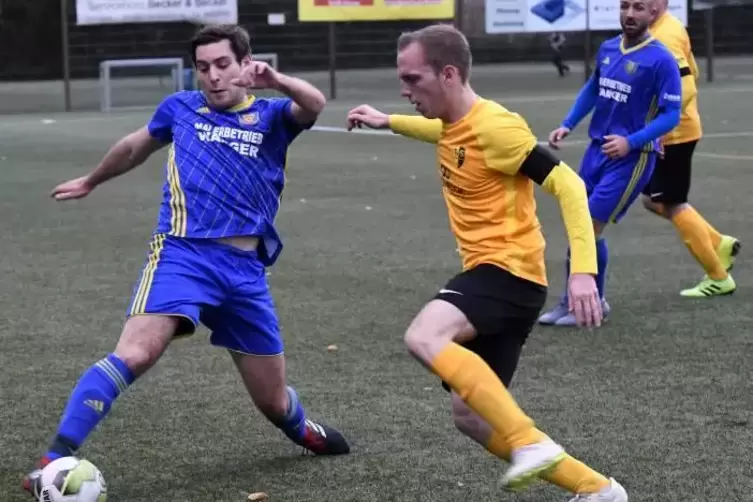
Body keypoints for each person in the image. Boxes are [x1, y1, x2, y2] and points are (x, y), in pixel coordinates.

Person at [23, 24, 349, 497]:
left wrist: (276, 80)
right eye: (203, 67)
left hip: (245, 272)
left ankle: (303, 431)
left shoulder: (272, 115)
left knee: (275, 403)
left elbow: (314, 105)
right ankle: (52, 460)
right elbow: (136, 145)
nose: (213, 76)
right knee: (137, 352)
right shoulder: (181, 108)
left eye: (222, 65)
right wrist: (93, 179)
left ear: (243, 64)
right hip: (182, 254)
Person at [347, 23, 627, 502]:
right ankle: (598, 490)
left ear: (449, 74)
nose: (404, 88)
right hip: (506, 282)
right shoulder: (454, 124)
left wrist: (583, 271)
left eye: (413, 79)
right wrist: (388, 120)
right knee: (470, 416)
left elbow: (569, 185)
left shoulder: (496, 127)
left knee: (424, 335)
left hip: (507, 273)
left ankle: (527, 440)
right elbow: (443, 133)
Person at [538, 0, 683, 326]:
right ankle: (592, 301)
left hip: (631, 159)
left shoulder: (661, 60)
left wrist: (631, 141)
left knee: (588, 226)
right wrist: (568, 123)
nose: (630, 14)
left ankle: (576, 304)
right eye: (625, 6)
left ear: (653, 14)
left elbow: (672, 114)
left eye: (639, 8)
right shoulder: (607, 48)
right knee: (582, 226)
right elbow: (593, 87)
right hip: (596, 151)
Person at [641, 0, 740, 297]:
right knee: (652, 199)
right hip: (675, 130)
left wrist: (662, 127)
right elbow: (691, 70)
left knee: (672, 203)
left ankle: (718, 276)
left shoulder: (665, 34)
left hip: (675, 133)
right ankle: (718, 242)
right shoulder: (663, 27)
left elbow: (687, 87)